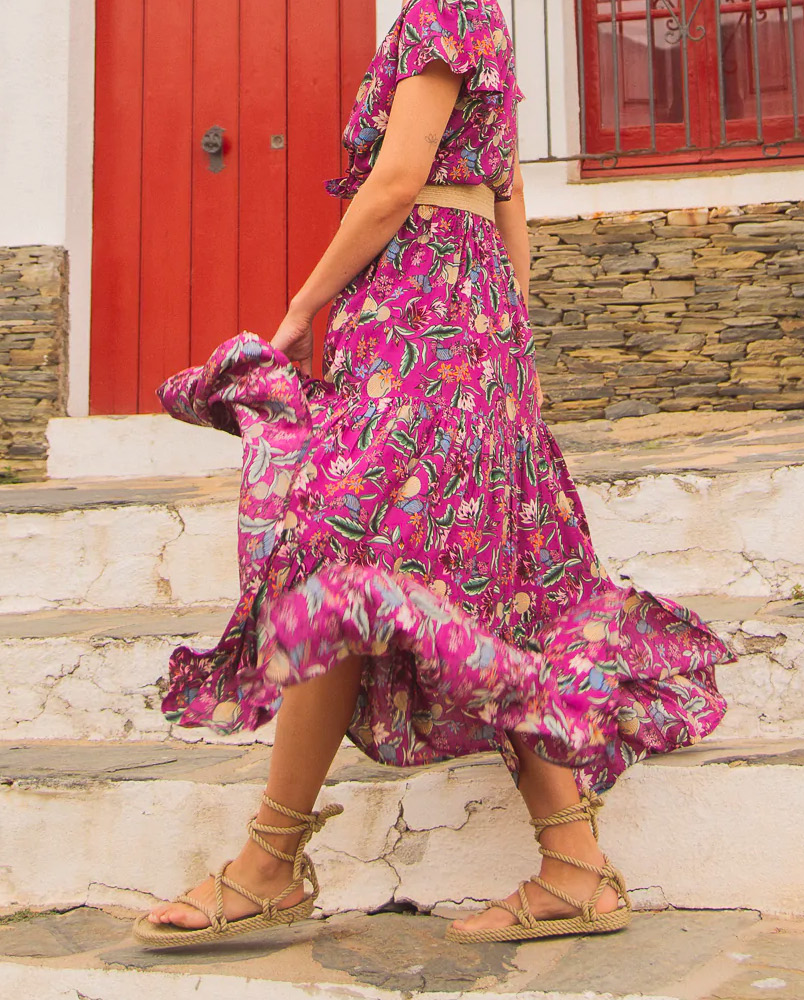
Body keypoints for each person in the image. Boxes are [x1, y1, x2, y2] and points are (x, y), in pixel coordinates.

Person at [132, 0, 733, 948]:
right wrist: (508, 340)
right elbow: (509, 194)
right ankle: (563, 864)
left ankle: (272, 865)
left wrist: (301, 307)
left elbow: (395, 183)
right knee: (466, 579)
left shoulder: (441, 11)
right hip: (467, 321)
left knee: (351, 560)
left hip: (423, 318)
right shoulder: (478, 16)